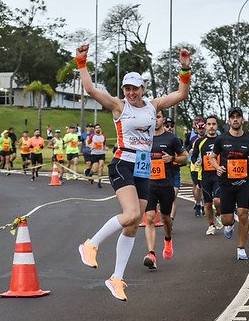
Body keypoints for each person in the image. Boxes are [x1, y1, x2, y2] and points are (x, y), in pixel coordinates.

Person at [76, 43, 191, 301]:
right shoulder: (119, 106)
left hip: (143, 166)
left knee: (132, 226)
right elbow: (91, 89)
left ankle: (117, 278)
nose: (130, 93)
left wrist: (184, 67)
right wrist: (81, 63)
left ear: (143, 89)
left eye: (134, 88)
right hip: (122, 163)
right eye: (126, 88)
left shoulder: (153, 105)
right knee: (130, 214)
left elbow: (182, 94)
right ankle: (90, 244)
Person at [208, 107, 249, 260]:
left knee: (243, 214)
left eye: (238, 116)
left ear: (242, 119)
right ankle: (228, 225)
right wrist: (217, 167)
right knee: (227, 219)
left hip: (243, 182)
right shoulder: (221, 139)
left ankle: (241, 248)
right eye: (233, 117)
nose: (236, 119)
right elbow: (212, 157)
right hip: (226, 184)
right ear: (229, 120)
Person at [143, 111, 187, 269]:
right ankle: (151, 254)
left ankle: (168, 240)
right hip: (148, 185)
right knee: (149, 218)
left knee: (166, 218)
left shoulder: (171, 138)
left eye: (158, 117)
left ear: (162, 119)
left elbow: (185, 157)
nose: (155, 120)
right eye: (152, 117)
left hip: (166, 184)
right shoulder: (143, 138)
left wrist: (172, 158)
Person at [192, 115, 223, 236]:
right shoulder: (200, 141)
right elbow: (194, 156)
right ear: (205, 126)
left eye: (213, 124)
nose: (211, 127)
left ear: (217, 126)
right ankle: (211, 225)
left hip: (219, 175)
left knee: (218, 200)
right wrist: (196, 161)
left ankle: (219, 215)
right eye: (209, 124)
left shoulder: (221, 140)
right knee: (208, 204)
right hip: (204, 176)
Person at [188, 121, 206, 217]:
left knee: (203, 187)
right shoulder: (193, 139)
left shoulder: (208, 139)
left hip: (206, 166)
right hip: (195, 166)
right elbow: (187, 148)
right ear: (196, 129)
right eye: (199, 129)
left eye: (202, 128)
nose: (201, 130)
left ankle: (203, 204)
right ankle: (198, 204)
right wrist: (189, 151)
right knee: (197, 186)